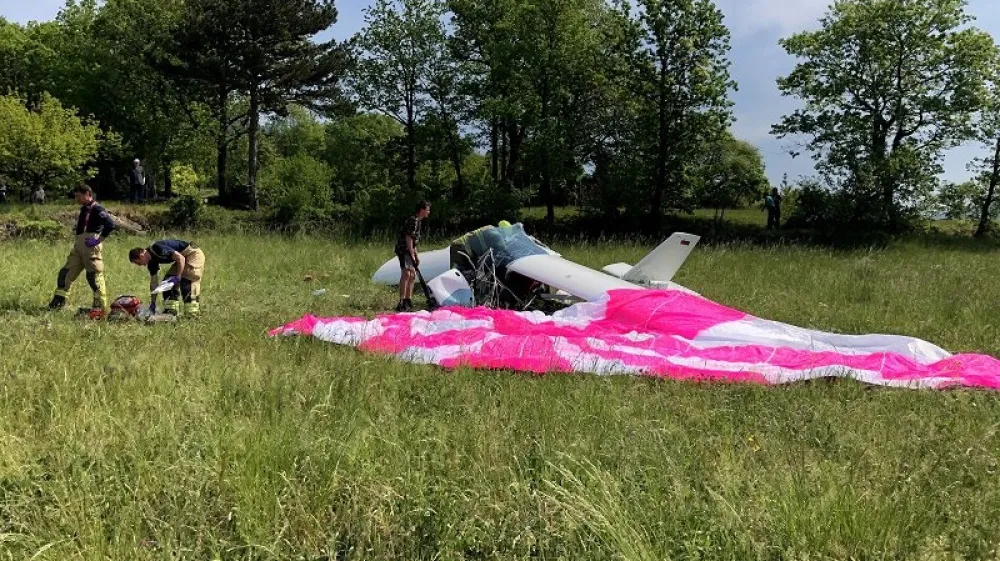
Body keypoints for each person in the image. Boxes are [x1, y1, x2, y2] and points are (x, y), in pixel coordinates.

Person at [48, 184, 117, 315]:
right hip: (79, 246)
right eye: (75, 196)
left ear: (87, 194)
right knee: (65, 274)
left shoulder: (97, 209)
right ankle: (57, 304)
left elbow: (110, 224)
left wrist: (98, 240)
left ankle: (100, 309)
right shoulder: (84, 209)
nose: (76, 199)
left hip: (90, 246)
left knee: (94, 276)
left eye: (79, 196)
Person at [128, 239, 206, 317]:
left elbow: (181, 258)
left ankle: (192, 314)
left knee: (188, 281)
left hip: (193, 253)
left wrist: (178, 277)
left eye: (138, 263)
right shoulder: (151, 262)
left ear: (141, 256)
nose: (141, 265)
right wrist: (153, 303)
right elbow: (154, 284)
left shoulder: (157, 248)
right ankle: (171, 312)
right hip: (182, 257)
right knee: (167, 283)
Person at [394, 201, 431, 312]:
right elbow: (408, 238)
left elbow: (414, 241)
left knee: (413, 275)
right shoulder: (413, 221)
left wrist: (416, 255)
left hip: (409, 250)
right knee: (407, 273)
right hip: (403, 250)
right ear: (422, 210)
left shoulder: (418, 222)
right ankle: (401, 302)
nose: (429, 212)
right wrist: (411, 254)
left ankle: (408, 300)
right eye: (427, 209)